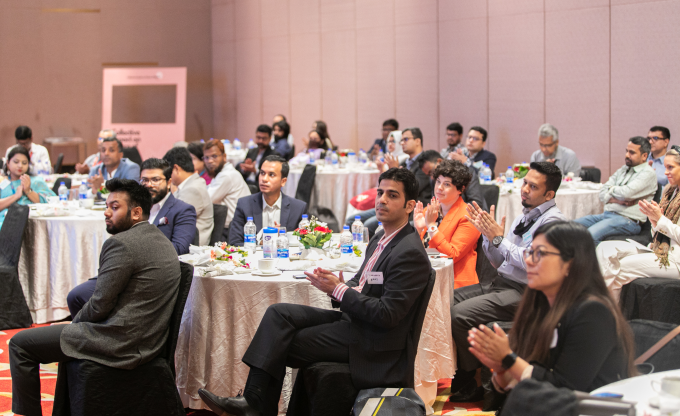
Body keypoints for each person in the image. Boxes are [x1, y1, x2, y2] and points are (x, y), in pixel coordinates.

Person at [197, 167, 432, 416]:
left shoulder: (409, 252)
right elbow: (363, 283)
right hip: (357, 322)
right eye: (380, 192)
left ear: (410, 206)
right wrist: (337, 283)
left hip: (373, 341)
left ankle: (255, 405)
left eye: (392, 195)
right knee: (279, 314)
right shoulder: (379, 239)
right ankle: (254, 403)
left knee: (282, 342)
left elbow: (388, 314)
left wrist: (340, 290)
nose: (382, 200)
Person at [10, 178, 180, 416]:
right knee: (60, 337)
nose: (107, 213)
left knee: (20, 344)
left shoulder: (122, 244)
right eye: (106, 206)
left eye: (115, 207)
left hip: (118, 342)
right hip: (147, 340)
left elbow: (100, 304)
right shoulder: (162, 241)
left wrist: (75, 323)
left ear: (136, 212)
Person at [468, 221, 635, 394]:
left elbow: (565, 389)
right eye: (530, 252)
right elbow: (525, 377)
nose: (529, 261)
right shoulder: (541, 303)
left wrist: (509, 359)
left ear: (570, 263)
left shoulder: (593, 312)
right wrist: (502, 368)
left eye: (540, 253)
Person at [448, 162, 566, 402]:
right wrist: (487, 236)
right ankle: (470, 375)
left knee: (458, 314)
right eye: (525, 183)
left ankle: (476, 380)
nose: (524, 190)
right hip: (503, 283)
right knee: (444, 300)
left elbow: (532, 262)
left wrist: (499, 239)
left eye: (533, 186)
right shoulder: (525, 216)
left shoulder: (553, 222)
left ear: (549, 194)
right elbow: (498, 261)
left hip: (529, 293)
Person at [597, 147, 680, 300]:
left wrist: (660, 219)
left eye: (670, 167)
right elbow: (658, 233)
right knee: (603, 248)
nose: (665, 172)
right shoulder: (670, 192)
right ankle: (602, 310)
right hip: (659, 248)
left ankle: (606, 315)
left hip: (676, 259)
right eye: (665, 167)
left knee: (619, 268)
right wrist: (654, 220)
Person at [574, 136, 657, 244]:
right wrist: (617, 200)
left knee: (589, 236)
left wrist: (611, 189)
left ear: (644, 156)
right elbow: (602, 192)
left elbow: (627, 193)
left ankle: (592, 261)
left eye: (632, 152)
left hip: (628, 220)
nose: (627, 155)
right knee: (569, 228)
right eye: (626, 151)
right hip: (607, 215)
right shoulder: (623, 169)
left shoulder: (648, 173)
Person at [414, 160, 481, 289]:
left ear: (460, 189)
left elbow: (452, 255)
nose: (439, 187)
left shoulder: (468, 216)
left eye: (447, 184)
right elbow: (418, 251)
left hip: (453, 282)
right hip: (426, 275)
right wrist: (418, 229)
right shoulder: (430, 210)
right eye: (438, 181)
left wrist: (432, 226)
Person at [229, 155, 307, 246]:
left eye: (271, 175)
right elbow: (234, 243)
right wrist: (261, 242)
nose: (264, 179)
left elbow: (304, 244)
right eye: (262, 173)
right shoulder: (244, 205)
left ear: (283, 181)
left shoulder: (298, 208)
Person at [139, 158, 196, 255]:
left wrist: (139, 247)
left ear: (169, 183)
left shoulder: (183, 210)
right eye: (144, 180)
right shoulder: (136, 208)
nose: (149, 185)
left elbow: (179, 249)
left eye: (155, 180)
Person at [163, 147, 214, 246]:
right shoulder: (189, 185)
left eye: (167, 172)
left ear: (176, 169)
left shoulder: (192, 189)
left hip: (191, 248)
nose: (166, 176)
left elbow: (172, 219)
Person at [204, 139, 251, 241]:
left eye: (214, 156)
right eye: (206, 157)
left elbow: (205, 200)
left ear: (224, 157)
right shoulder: (222, 174)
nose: (210, 161)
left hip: (233, 231)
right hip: (231, 227)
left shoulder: (227, 175)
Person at [0, 146, 55, 228]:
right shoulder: (2, 182)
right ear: (8, 163)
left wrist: (28, 191)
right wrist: (16, 196)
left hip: (32, 223)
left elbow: (51, 202)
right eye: (16, 162)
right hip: (5, 223)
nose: (20, 166)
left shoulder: (36, 181)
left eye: (24, 163)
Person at [419, 149, 487, 211]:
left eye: (431, 172)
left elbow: (476, 204)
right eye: (438, 182)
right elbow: (437, 202)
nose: (432, 177)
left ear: (439, 161)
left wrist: (447, 212)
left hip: (470, 217)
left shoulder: (465, 173)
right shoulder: (434, 178)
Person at [237, 124, 280, 188]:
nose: (260, 141)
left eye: (264, 138)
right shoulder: (251, 151)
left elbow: (272, 175)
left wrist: (255, 171)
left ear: (270, 138)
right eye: (258, 138)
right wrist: (244, 169)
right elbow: (243, 173)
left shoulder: (274, 155)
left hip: (261, 186)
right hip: (245, 183)